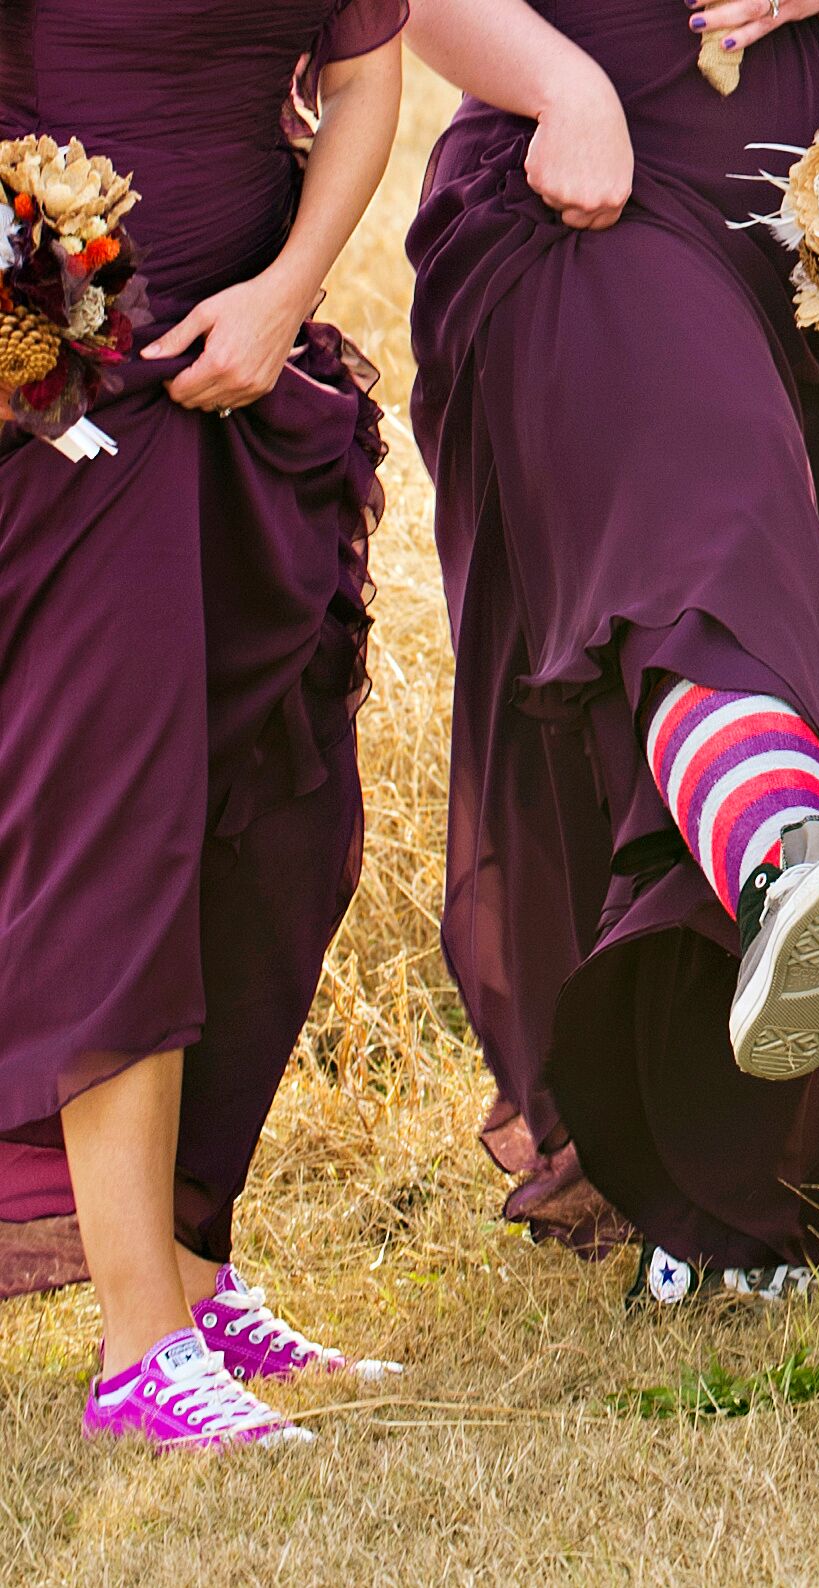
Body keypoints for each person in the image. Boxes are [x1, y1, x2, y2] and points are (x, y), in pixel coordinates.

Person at [407, 0, 819, 1306]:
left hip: (804, 237)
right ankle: (779, 859)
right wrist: (564, 84)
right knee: (705, 568)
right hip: (587, 196)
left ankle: (718, 1220)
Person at [0, 0, 406, 1448]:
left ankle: (187, 1261)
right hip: (63, 399)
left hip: (242, 358)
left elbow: (364, 77)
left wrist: (290, 289)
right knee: (124, 825)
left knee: (274, 825)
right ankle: (138, 1350)